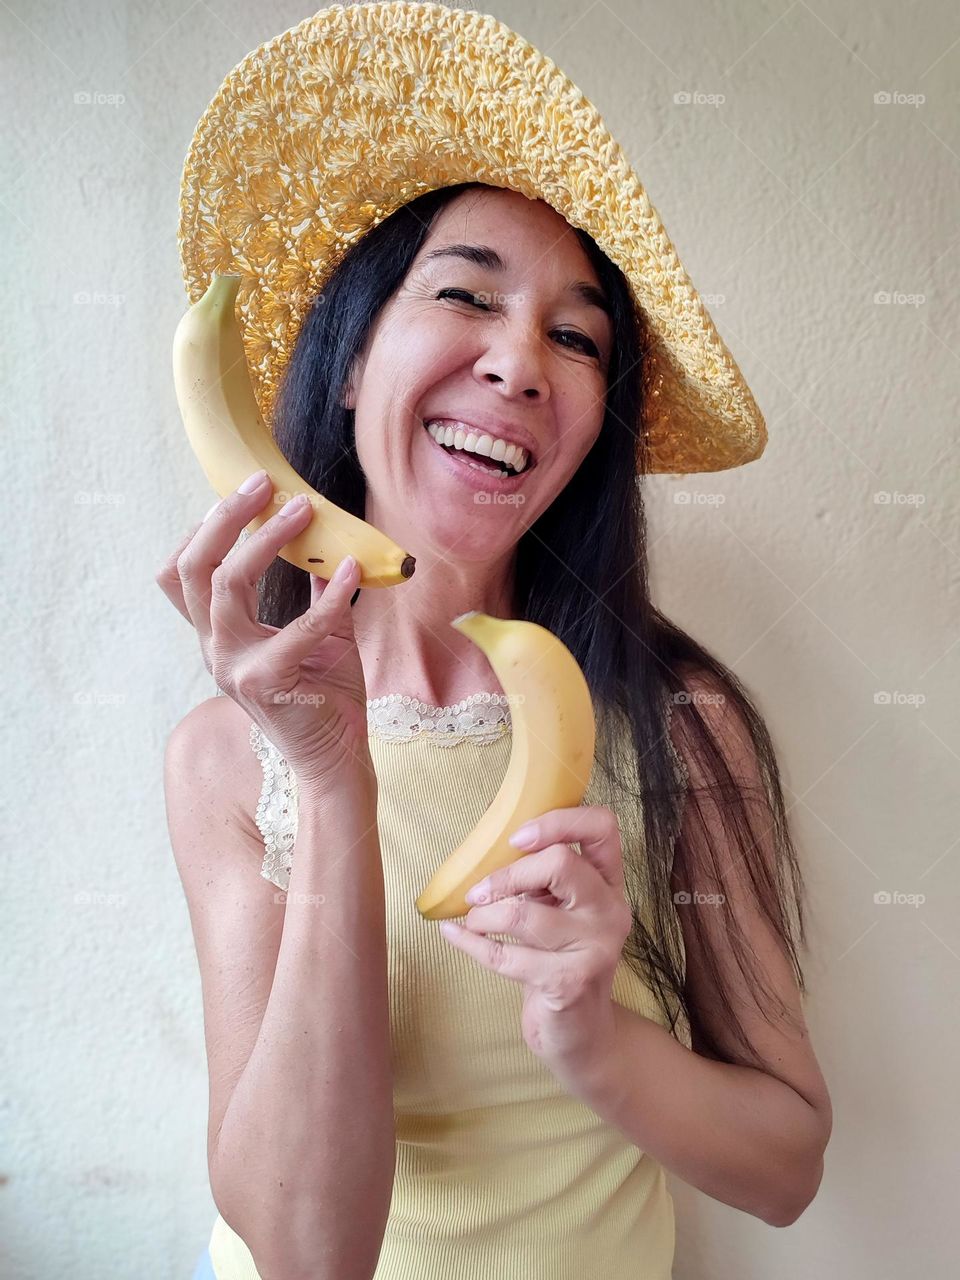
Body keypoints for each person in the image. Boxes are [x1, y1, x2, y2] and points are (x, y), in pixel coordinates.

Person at [160, 7, 832, 1279]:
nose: (522, 363)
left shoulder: (677, 728)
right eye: (466, 295)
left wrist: (591, 1032)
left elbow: (787, 1168)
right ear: (354, 360)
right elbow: (310, 1251)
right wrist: (330, 775)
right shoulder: (222, 757)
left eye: (576, 337)